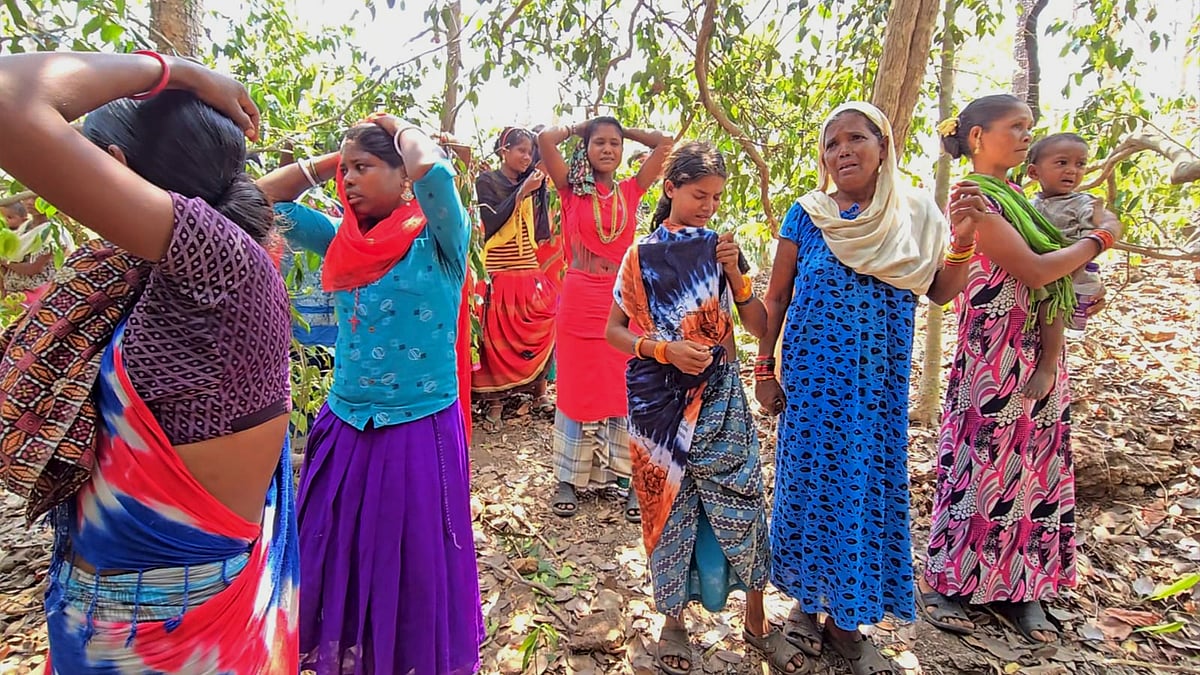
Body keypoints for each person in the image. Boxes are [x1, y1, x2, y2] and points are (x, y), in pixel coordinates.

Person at [0, 51, 297, 672]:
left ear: (115, 167)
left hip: (163, 644)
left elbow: (7, 99)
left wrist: (177, 71)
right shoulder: (168, 275)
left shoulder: (222, 267)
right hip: (132, 627)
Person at [257, 114, 484, 674]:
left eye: (363, 167)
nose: (350, 179)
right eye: (346, 171)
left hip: (418, 426)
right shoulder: (341, 240)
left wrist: (401, 129)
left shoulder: (442, 240)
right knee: (334, 549)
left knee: (412, 560)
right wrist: (327, 163)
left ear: (403, 176)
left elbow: (435, 173)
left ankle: (403, 658)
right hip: (345, 423)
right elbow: (259, 199)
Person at [755, 101, 976, 675]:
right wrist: (764, 369)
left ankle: (847, 623)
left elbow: (941, 290)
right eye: (832, 144)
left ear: (883, 147)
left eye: (856, 138)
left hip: (876, 391)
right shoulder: (808, 215)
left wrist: (965, 240)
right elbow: (776, 297)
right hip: (813, 385)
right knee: (810, 489)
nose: (843, 151)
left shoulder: (914, 214)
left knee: (863, 491)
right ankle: (806, 608)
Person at [920, 94, 1122, 643]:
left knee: (1032, 465)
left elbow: (1052, 275)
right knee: (979, 464)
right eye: (1015, 126)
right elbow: (1034, 270)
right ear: (978, 137)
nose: (1026, 136)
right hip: (993, 352)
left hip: (1036, 349)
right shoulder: (973, 198)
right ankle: (950, 582)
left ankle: (1021, 587)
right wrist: (1100, 239)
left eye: (1029, 127)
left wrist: (1071, 307)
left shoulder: (1022, 201)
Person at [607, 142, 809, 675]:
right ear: (670, 188)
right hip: (657, 403)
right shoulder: (639, 256)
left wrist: (737, 276)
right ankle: (673, 622)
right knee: (667, 506)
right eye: (700, 194)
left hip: (719, 395)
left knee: (744, 498)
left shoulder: (722, 250)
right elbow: (614, 331)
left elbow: (759, 325)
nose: (709, 206)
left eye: (717, 197)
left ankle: (756, 623)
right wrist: (664, 350)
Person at [536, 116, 672, 521]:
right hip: (579, 299)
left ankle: (628, 479)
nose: (608, 149)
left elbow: (665, 143)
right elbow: (545, 138)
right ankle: (568, 478)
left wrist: (622, 129)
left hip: (621, 300)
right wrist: (584, 127)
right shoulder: (570, 190)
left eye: (615, 143)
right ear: (587, 148)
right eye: (600, 142)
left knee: (623, 389)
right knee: (575, 388)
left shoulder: (631, 189)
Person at [472, 127, 558, 427]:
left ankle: (539, 393)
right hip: (499, 268)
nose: (526, 156)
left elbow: (541, 231)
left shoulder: (533, 181)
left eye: (530, 151)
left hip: (529, 269)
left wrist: (535, 189)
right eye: (520, 150)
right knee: (493, 337)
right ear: (503, 151)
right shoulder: (486, 181)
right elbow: (492, 220)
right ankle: (495, 401)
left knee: (542, 325)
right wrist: (523, 193)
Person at [1022, 132, 1119, 399]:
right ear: (1034, 172)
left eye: (1080, 164)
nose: (1072, 171)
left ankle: (1048, 366)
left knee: (1050, 309)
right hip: (1048, 272)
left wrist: (1101, 225)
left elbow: (1096, 233)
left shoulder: (1082, 203)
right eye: (1062, 163)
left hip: (1074, 274)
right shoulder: (1029, 204)